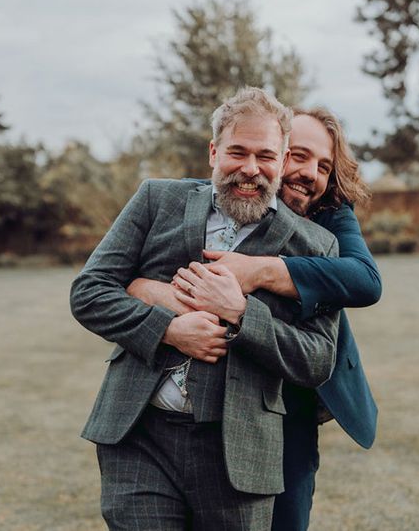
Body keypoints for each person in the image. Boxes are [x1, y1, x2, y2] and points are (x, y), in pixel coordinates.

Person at [70, 88, 341, 530]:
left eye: (266, 156)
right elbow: (89, 292)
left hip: (238, 453)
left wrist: (241, 315)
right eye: (237, 152)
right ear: (214, 152)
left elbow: (317, 359)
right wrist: (167, 328)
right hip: (140, 436)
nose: (250, 169)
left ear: (283, 157)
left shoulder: (315, 246)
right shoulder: (157, 200)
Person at [130, 106, 381, 531]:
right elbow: (134, 275)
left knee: (286, 517)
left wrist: (262, 270)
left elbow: (366, 281)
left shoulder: (327, 216)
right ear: (277, 153)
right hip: (208, 403)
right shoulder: (205, 204)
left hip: (293, 394)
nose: (309, 173)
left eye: (323, 165)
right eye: (298, 156)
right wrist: (152, 292)